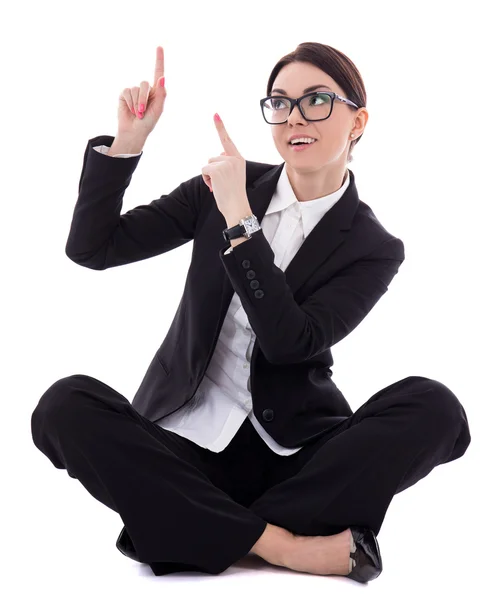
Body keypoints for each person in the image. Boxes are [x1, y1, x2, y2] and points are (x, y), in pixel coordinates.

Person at [31, 43, 471, 583]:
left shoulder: (373, 246)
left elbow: (291, 341)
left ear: (358, 121)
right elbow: (92, 249)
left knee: (437, 408)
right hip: (187, 446)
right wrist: (127, 144)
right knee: (63, 406)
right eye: (281, 103)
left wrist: (240, 219)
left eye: (316, 101)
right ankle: (282, 544)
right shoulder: (216, 190)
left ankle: (189, 527)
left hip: (298, 457)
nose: (294, 118)